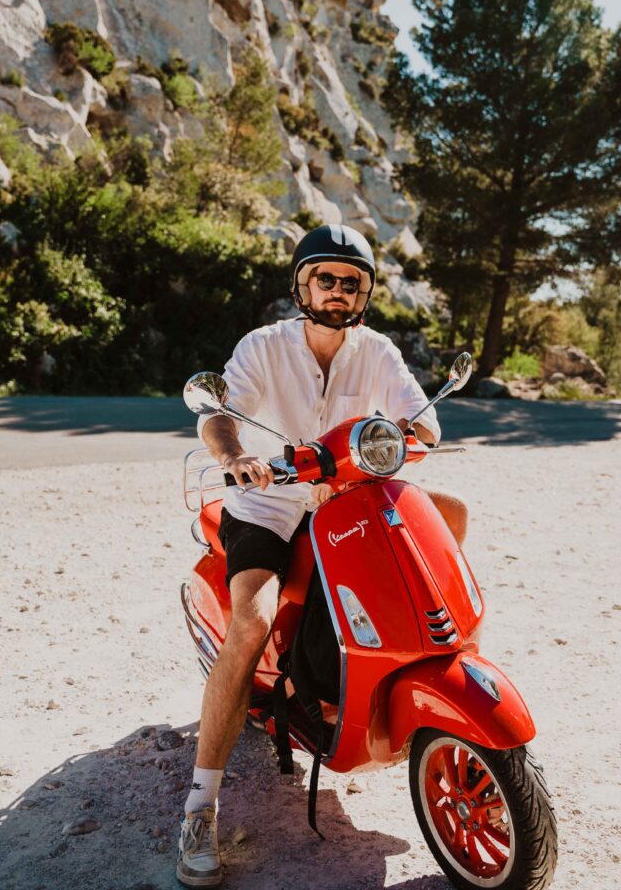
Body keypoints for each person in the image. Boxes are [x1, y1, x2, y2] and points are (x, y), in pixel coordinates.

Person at [177, 223, 468, 888]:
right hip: (269, 504)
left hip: (347, 495)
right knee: (251, 621)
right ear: (302, 286)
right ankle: (199, 807)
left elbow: (422, 420)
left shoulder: (378, 350)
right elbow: (220, 415)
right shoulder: (263, 346)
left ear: (365, 294)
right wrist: (236, 456)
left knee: (449, 515)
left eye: (351, 283)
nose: (338, 291)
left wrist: (410, 431)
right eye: (325, 279)